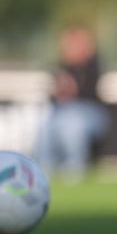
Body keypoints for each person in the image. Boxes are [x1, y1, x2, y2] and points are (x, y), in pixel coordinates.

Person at [35, 26, 109, 182]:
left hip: (89, 114)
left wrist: (71, 89)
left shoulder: (94, 65)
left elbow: (87, 92)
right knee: (46, 124)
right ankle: (44, 167)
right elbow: (54, 96)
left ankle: (75, 166)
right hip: (61, 113)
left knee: (73, 123)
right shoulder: (61, 67)